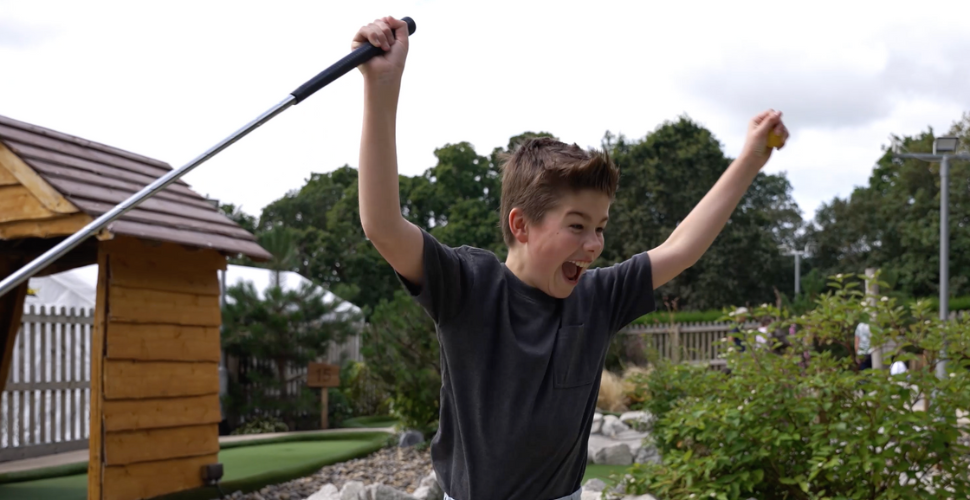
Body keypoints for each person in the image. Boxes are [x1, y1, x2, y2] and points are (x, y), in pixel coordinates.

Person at [351, 16, 789, 500]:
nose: (595, 244)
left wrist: (749, 158)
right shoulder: (468, 285)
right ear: (521, 225)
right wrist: (383, 85)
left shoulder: (598, 296)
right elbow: (383, 226)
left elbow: (681, 249)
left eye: (600, 227)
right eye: (577, 226)